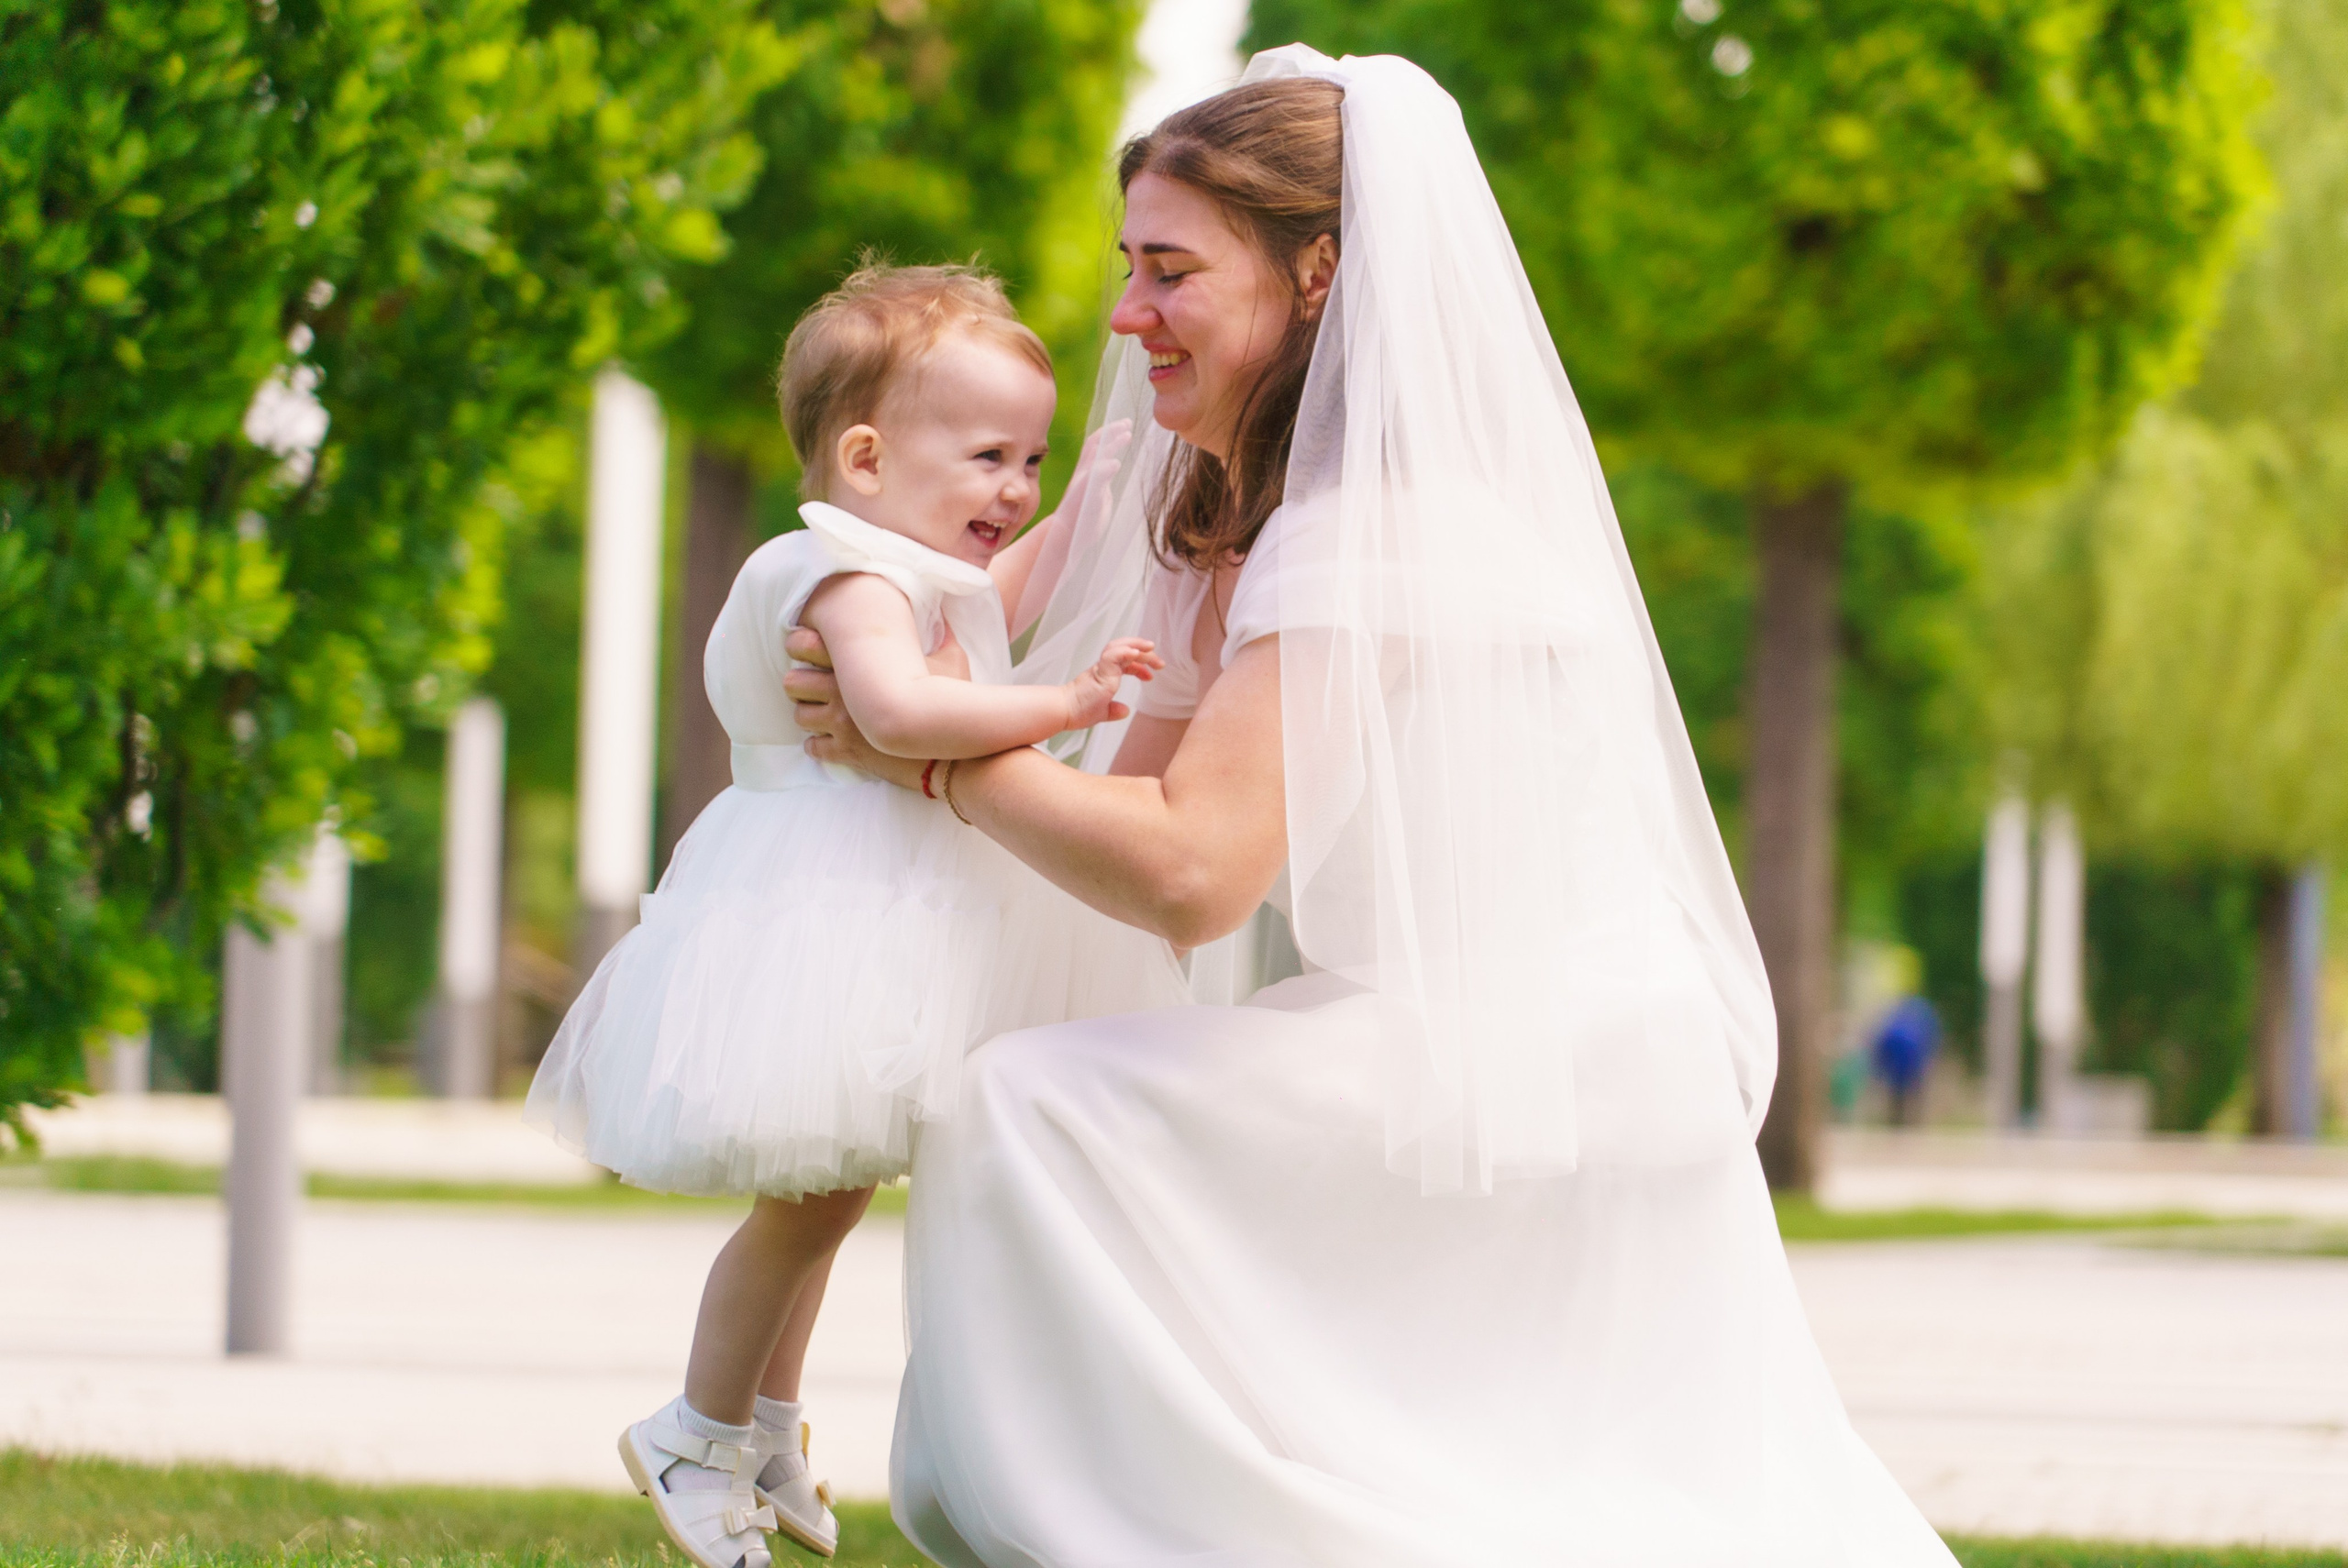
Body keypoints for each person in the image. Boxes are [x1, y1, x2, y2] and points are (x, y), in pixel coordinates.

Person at [789, 47, 1960, 1567]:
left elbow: (1196, 871)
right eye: (1127, 269)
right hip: (1466, 1038)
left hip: (1529, 1057)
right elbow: (1128, 809)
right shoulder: (1273, 522)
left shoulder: (1378, 528)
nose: (1128, 316)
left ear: (1318, 270)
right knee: (1034, 1082)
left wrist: (929, 756)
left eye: (1170, 272)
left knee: (1020, 1110)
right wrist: (928, 696)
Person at [526, 263, 1187, 1568]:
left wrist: (1090, 520)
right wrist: (1067, 708)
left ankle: (766, 1419)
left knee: (828, 1193)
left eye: (1033, 462)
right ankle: (696, 1427)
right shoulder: (836, 574)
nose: (1016, 488)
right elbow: (899, 712)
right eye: (990, 456)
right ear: (869, 457)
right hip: (829, 911)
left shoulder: (900, 565)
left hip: (877, 907)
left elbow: (992, 613)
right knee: (804, 1205)